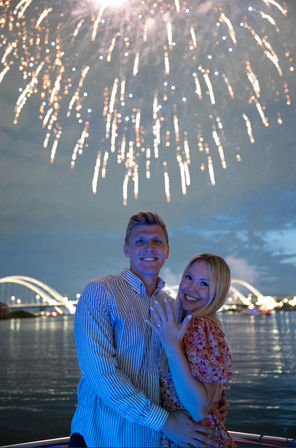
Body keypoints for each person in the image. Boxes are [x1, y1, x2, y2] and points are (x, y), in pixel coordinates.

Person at [70, 212, 219, 448]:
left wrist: (214, 398)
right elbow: (101, 375)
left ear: (167, 250)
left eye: (157, 241)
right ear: (126, 249)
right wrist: (168, 423)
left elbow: (183, 371)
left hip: (154, 440)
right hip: (102, 436)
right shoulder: (100, 293)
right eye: (139, 241)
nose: (149, 248)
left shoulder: (172, 307)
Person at [149, 253, 236, 448]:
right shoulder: (198, 324)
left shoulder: (199, 326)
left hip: (193, 440)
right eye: (189, 277)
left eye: (204, 283)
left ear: (218, 292)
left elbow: (199, 408)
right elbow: (208, 391)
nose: (191, 288)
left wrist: (171, 345)